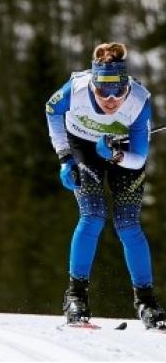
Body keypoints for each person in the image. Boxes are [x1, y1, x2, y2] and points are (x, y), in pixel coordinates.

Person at [46, 42, 165, 329]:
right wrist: (64, 157)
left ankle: (147, 302)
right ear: (93, 87)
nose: (111, 100)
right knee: (93, 216)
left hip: (122, 152)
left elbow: (137, 159)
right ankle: (76, 296)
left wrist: (114, 155)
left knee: (128, 224)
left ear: (126, 88)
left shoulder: (139, 100)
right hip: (84, 148)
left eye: (118, 93)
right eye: (103, 93)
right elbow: (51, 110)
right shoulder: (75, 89)